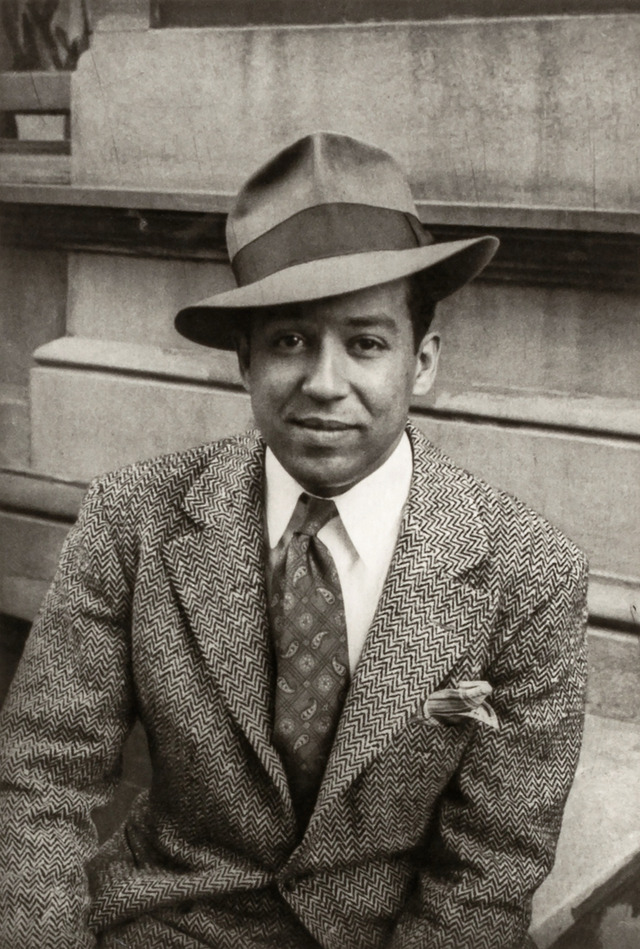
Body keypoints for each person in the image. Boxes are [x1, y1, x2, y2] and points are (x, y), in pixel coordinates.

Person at [0, 132, 588, 949]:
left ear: (422, 361)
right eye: (289, 341)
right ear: (243, 363)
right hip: (170, 924)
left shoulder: (531, 574)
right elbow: (35, 780)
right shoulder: (133, 518)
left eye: (366, 342)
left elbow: (488, 869)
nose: (323, 381)